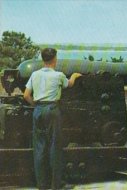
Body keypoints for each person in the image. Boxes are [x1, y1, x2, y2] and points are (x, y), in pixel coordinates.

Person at [23, 48, 82, 189]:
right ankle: (56, 185)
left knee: (39, 148)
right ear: (54, 59)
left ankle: (42, 185)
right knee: (54, 147)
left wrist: (36, 106)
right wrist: (74, 76)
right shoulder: (58, 75)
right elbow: (69, 84)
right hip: (52, 110)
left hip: (38, 110)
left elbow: (26, 95)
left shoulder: (34, 75)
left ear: (43, 60)